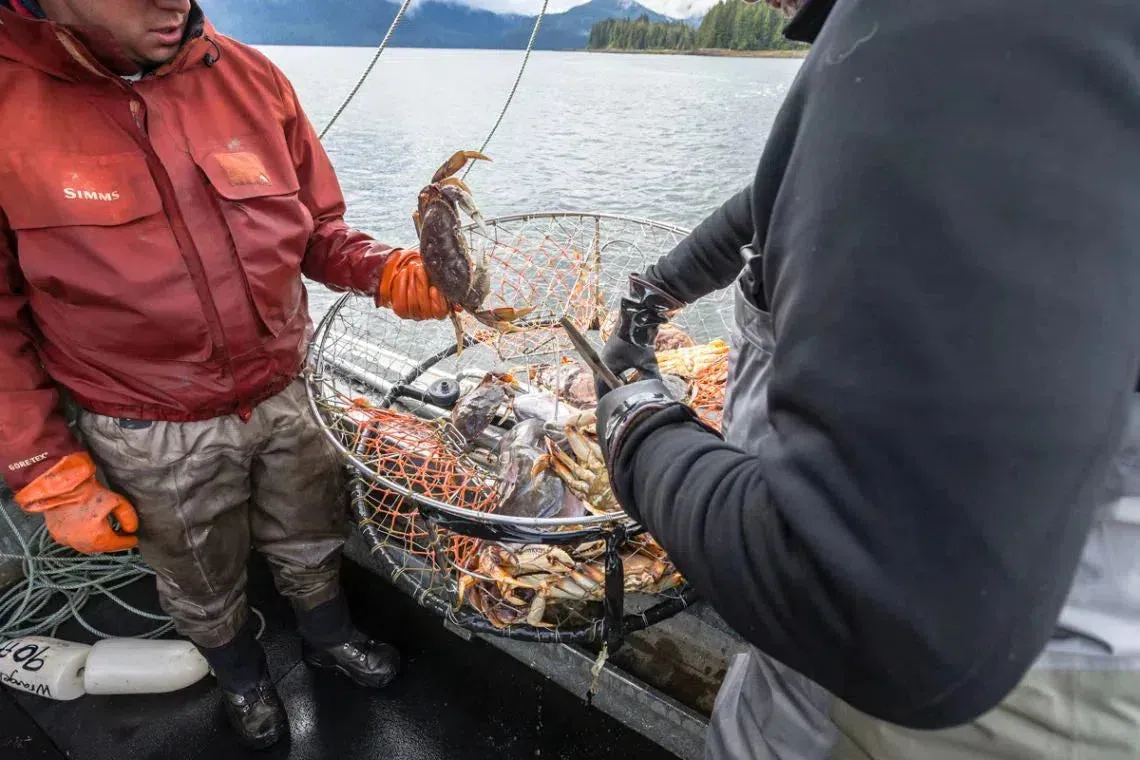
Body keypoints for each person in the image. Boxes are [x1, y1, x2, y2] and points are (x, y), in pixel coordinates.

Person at [593, 0, 1140, 758]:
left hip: (943, 720)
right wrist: (658, 288)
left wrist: (635, 427)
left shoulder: (959, 21)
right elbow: (799, 188)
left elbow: (870, 601)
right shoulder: (985, 43)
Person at [0, 0, 452, 749]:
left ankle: (329, 636)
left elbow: (317, 231)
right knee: (198, 576)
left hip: (285, 390)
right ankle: (242, 679)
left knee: (312, 535)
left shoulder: (250, 77)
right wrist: (44, 467)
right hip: (146, 426)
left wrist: (386, 271)